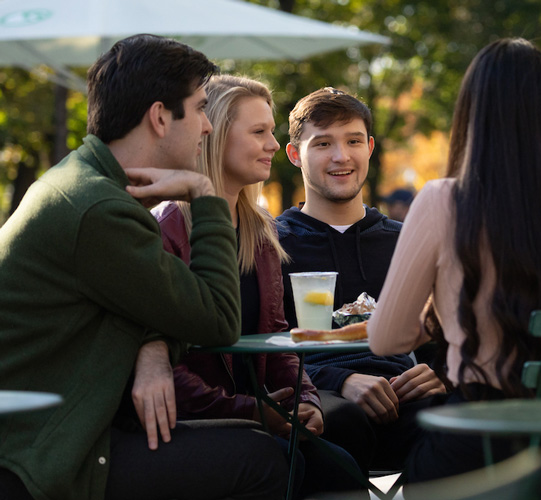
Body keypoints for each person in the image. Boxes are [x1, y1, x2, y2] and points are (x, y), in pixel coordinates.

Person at [0, 35, 287, 500]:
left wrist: (153, 344)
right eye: (198, 109)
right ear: (158, 117)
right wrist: (204, 194)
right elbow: (216, 318)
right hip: (43, 457)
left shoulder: (87, 185)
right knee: (262, 460)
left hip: (60, 433)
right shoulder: (98, 210)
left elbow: (140, 302)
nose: (207, 128)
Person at [366, 38, 541, 499]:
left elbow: (385, 339)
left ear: (472, 115)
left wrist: (447, 317)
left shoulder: (442, 201)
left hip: (482, 448)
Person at [152, 75, 363, 498]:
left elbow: (277, 335)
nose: (272, 144)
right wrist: (254, 412)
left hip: (256, 416)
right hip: (194, 422)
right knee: (288, 464)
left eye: (271, 131)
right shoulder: (167, 228)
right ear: (212, 134)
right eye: (259, 132)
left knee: (341, 470)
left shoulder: (260, 230)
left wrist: (307, 399)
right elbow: (167, 369)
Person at [277, 87, 446, 472]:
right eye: (322, 143)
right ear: (294, 155)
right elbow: (263, 352)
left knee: (463, 418)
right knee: (338, 424)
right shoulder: (270, 245)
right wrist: (340, 380)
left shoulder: (407, 239)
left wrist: (440, 373)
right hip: (320, 400)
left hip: (408, 400)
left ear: (369, 147)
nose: (341, 156)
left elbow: (445, 331)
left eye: (353, 140)